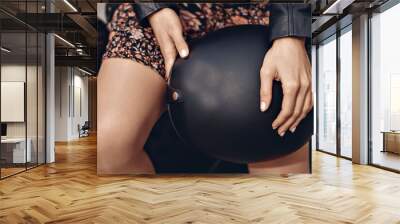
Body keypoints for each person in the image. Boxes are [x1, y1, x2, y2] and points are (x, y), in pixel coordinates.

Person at [97, 3, 313, 174]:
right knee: (108, 148)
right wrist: (154, 8)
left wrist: (290, 31)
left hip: (266, 10)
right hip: (160, 14)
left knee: (278, 140)